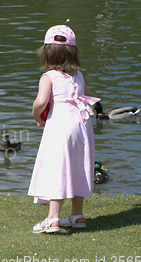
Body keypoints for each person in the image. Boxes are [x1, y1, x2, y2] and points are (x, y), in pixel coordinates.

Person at [28, 25, 101, 233]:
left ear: (46, 52)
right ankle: (77, 215)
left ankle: (53, 218)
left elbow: (41, 102)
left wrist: (36, 116)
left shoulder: (48, 77)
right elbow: (87, 97)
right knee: (80, 165)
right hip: (82, 126)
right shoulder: (79, 75)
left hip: (61, 126)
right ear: (73, 52)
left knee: (57, 168)